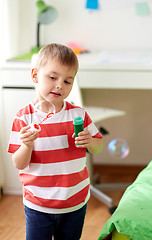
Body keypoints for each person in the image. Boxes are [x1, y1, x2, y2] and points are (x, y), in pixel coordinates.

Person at [7, 43, 103, 240]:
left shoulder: (78, 115)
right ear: (35, 76)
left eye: (68, 81)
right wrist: (26, 145)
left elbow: (98, 146)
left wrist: (90, 142)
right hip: (38, 204)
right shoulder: (24, 118)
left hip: (75, 201)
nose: (60, 85)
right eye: (52, 77)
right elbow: (19, 163)